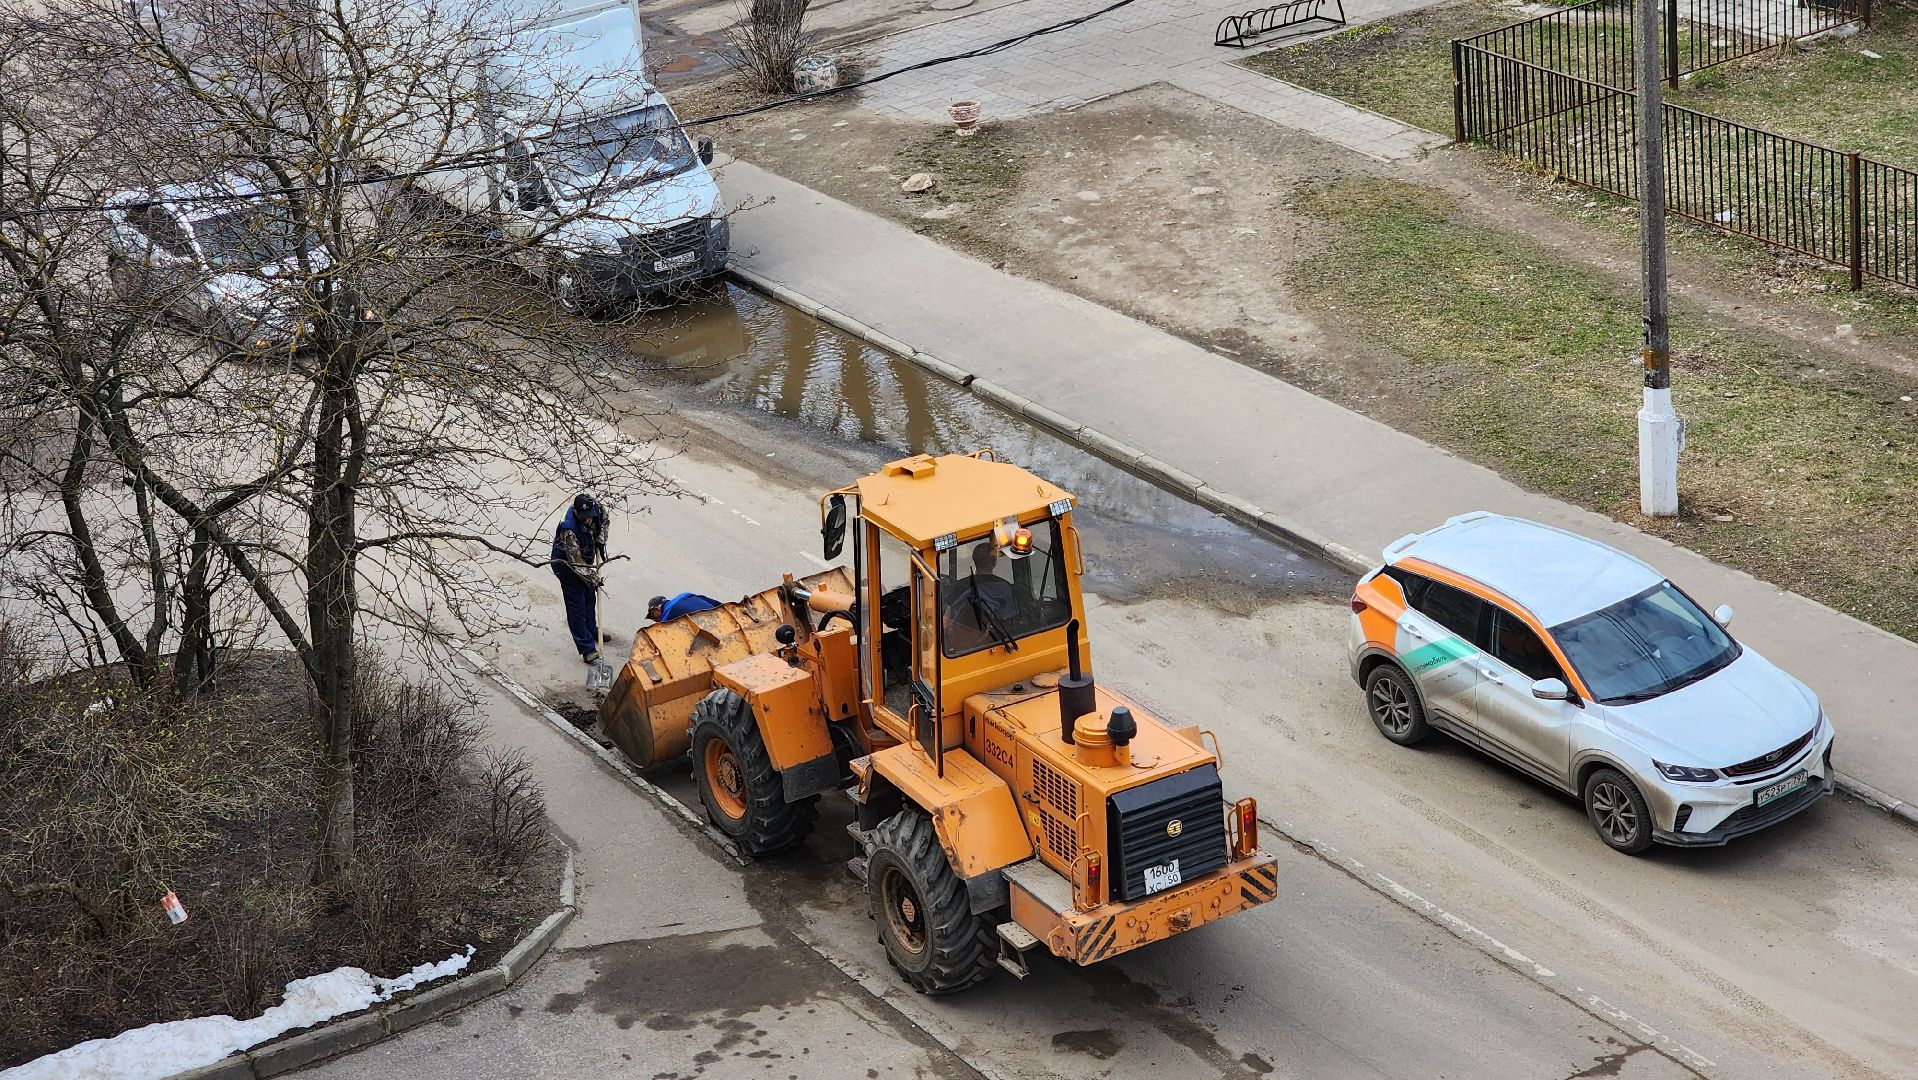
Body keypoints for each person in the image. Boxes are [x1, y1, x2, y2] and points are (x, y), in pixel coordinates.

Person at [552, 493, 609, 664]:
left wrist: (600, 540)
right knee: (576, 607)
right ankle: (587, 648)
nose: (587, 520)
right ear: (575, 512)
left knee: (589, 598)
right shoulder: (568, 529)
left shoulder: (597, 508)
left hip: (586, 558)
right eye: (583, 518)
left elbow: (605, 521)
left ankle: (592, 631)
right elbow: (576, 563)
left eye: (589, 517)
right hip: (567, 566)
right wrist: (594, 578)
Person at [648, 592, 722, 624]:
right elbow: (715, 604)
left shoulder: (666, 620)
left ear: (656, 609)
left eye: (653, 616)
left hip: (709, 627)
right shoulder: (685, 595)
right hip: (721, 618)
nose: (655, 620)